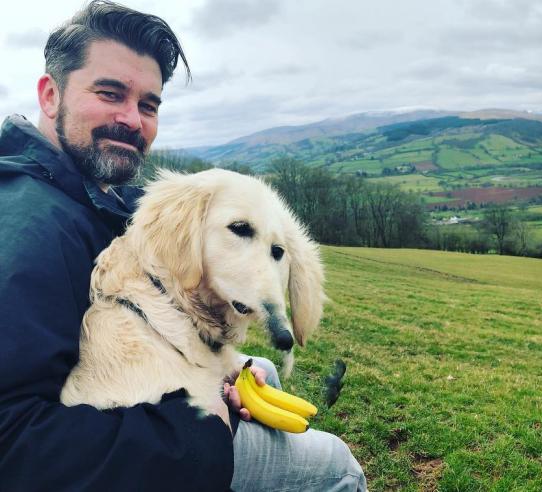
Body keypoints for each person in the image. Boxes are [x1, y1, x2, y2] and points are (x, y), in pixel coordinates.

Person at [0, 1, 366, 491]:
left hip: (143, 399)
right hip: (136, 442)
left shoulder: (82, 191)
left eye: (148, 105)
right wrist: (199, 435)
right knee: (337, 465)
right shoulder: (25, 231)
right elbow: (13, 444)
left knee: (259, 372)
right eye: (110, 94)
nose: (132, 119)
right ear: (50, 95)